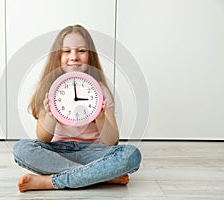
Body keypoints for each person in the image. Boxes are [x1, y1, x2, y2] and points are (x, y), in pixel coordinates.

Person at [13, 24, 142, 192]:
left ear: (90, 56)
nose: (74, 57)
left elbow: (112, 141)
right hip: (59, 152)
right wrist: (50, 117)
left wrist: (101, 117)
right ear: (57, 56)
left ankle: (51, 182)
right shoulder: (49, 90)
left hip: (95, 152)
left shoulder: (100, 90)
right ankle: (100, 176)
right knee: (21, 148)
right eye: (66, 51)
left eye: (81, 51)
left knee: (132, 155)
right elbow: (43, 138)